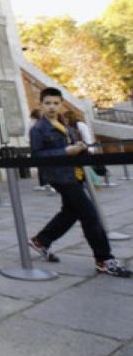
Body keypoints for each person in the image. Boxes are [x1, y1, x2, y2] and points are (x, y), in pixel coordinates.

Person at [29, 88, 130, 277]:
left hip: (74, 173)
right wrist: (65, 152)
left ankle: (41, 240)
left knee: (70, 211)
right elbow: (37, 156)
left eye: (55, 103)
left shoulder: (64, 125)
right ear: (41, 104)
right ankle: (104, 259)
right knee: (89, 215)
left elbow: (70, 145)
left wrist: (80, 147)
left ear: (61, 104)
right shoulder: (38, 129)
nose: (52, 107)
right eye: (48, 103)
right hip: (59, 177)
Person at [62, 110, 103, 186]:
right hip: (74, 149)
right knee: (80, 167)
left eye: (66, 118)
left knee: (87, 167)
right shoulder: (67, 127)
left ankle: (94, 182)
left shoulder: (80, 125)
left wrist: (90, 149)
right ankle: (82, 181)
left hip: (83, 149)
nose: (64, 120)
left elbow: (87, 138)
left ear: (70, 118)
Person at [30, 109, 53, 191]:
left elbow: (34, 140)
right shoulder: (46, 123)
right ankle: (49, 183)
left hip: (41, 149)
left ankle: (46, 183)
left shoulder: (35, 126)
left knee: (42, 167)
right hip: (47, 148)